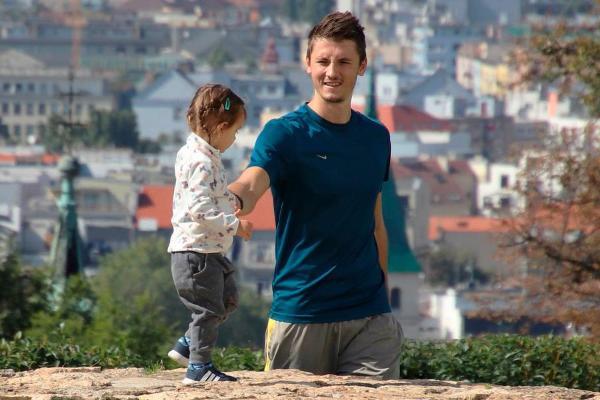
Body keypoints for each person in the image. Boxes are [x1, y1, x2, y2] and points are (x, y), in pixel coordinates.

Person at [228, 11, 403, 379]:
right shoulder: (284, 134)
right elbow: (252, 181)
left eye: (343, 62)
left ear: (362, 66)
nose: (332, 72)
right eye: (323, 61)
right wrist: (232, 199)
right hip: (302, 313)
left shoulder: (376, 138)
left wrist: (381, 299)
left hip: (369, 319)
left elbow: (375, 225)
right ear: (307, 64)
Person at [167, 84, 253, 384]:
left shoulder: (200, 153)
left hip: (207, 251)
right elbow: (199, 209)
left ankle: (188, 344)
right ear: (220, 127)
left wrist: (232, 202)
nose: (235, 138)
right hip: (196, 254)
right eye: (236, 131)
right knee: (207, 311)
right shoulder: (201, 162)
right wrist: (234, 224)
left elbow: (212, 194)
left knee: (226, 299)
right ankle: (198, 368)